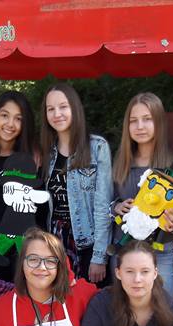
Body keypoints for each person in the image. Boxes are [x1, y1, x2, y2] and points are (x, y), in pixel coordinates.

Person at [111, 92, 173, 296]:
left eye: (147, 119)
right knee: (123, 311)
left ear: (159, 122)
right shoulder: (120, 161)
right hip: (124, 251)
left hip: (160, 252)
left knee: (162, 309)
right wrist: (116, 207)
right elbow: (107, 203)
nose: (140, 126)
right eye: (133, 121)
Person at [40, 82, 113, 284]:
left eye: (63, 107)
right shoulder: (46, 152)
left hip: (87, 241)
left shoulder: (97, 147)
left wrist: (99, 256)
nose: (57, 114)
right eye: (50, 109)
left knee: (89, 297)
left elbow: (103, 206)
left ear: (74, 108)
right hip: (55, 242)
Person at [0, 90, 40, 281]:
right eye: (5, 115)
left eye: (18, 119)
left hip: (20, 251)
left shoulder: (29, 160)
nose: (10, 124)